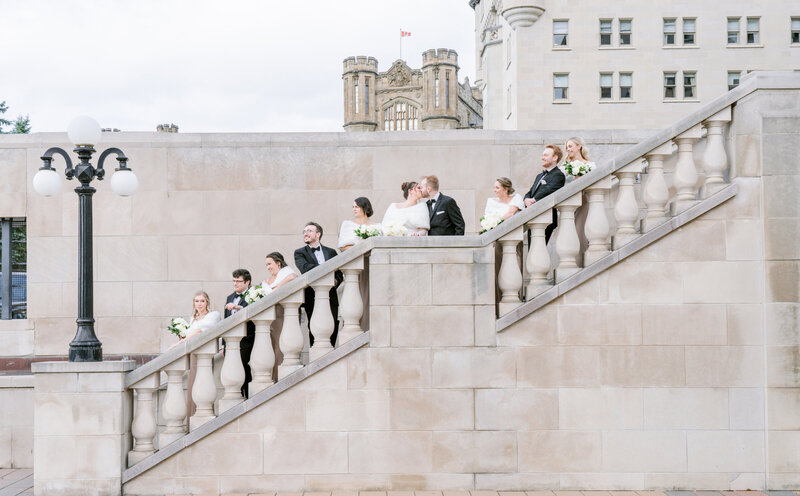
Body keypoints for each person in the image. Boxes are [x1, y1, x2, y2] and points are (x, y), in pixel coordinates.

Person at [294, 222, 343, 347]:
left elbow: (339, 273)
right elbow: (305, 268)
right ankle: (315, 353)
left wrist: (336, 280)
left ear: (318, 234)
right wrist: (327, 268)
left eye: (309, 231)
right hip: (312, 295)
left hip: (331, 295)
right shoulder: (299, 252)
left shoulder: (331, 252)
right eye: (304, 231)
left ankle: (330, 350)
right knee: (314, 325)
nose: (305, 233)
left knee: (334, 323)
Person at [172, 291, 220, 415]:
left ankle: (206, 414)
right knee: (192, 383)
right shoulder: (192, 319)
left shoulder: (213, 315)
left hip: (205, 353)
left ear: (207, 302)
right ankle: (192, 416)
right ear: (193, 303)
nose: (199, 304)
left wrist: (180, 342)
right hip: (193, 353)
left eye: (202, 301)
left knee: (205, 383)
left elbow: (200, 331)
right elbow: (191, 333)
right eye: (197, 301)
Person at [260, 252, 297, 380]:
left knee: (278, 347)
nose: (267, 267)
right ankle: (270, 378)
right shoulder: (267, 280)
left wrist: (276, 289)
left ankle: (279, 378)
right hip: (267, 318)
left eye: (269, 264)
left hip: (280, 315)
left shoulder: (286, 274)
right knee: (267, 348)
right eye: (266, 265)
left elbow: (293, 277)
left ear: (278, 263)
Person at [523, 144, 566, 243]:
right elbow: (530, 191)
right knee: (531, 252)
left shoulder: (558, 175)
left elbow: (549, 189)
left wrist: (534, 200)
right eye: (542, 155)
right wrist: (526, 199)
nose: (542, 158)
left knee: (538, 251)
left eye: (546, 155)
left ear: (555, 157)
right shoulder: (539, 176)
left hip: (546, 218)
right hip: (533, 216)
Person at [223, 269, 256, 397]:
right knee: (234, 368)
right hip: (231, 342)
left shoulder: (255, 294)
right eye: (234, 281)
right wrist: (224, 345)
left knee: (243, 366)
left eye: (238, 281)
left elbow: (254, 312)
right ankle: (240, 394)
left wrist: (239, 308)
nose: (235, 284)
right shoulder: (229, 297)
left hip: (247, 339)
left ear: (247, 282)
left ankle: (247, 395)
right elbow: (226, 323)